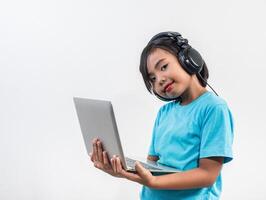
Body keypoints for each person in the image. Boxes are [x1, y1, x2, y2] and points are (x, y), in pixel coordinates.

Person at [90, 31, 234, 200]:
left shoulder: (213, 108)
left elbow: (207, 175)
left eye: (163, 67)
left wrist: (154, 182)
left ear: (188, 59)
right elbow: (153, 165)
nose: (159, 80)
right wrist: (122, 171)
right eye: (152, 78)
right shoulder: (164, 113)